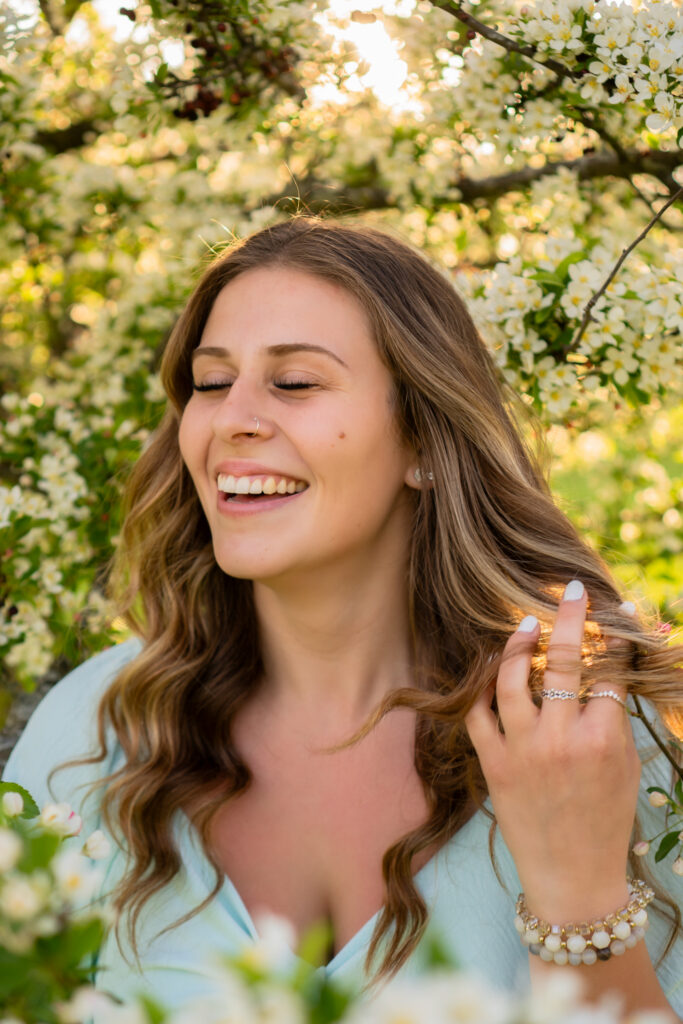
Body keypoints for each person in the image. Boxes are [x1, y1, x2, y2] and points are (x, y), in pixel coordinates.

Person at [3, 216, 682, 1017]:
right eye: (211, 383)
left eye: (294, 383)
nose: (231, 419)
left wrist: (577, 893)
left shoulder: (581, 733)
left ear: (424, 442)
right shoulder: (93, 730)